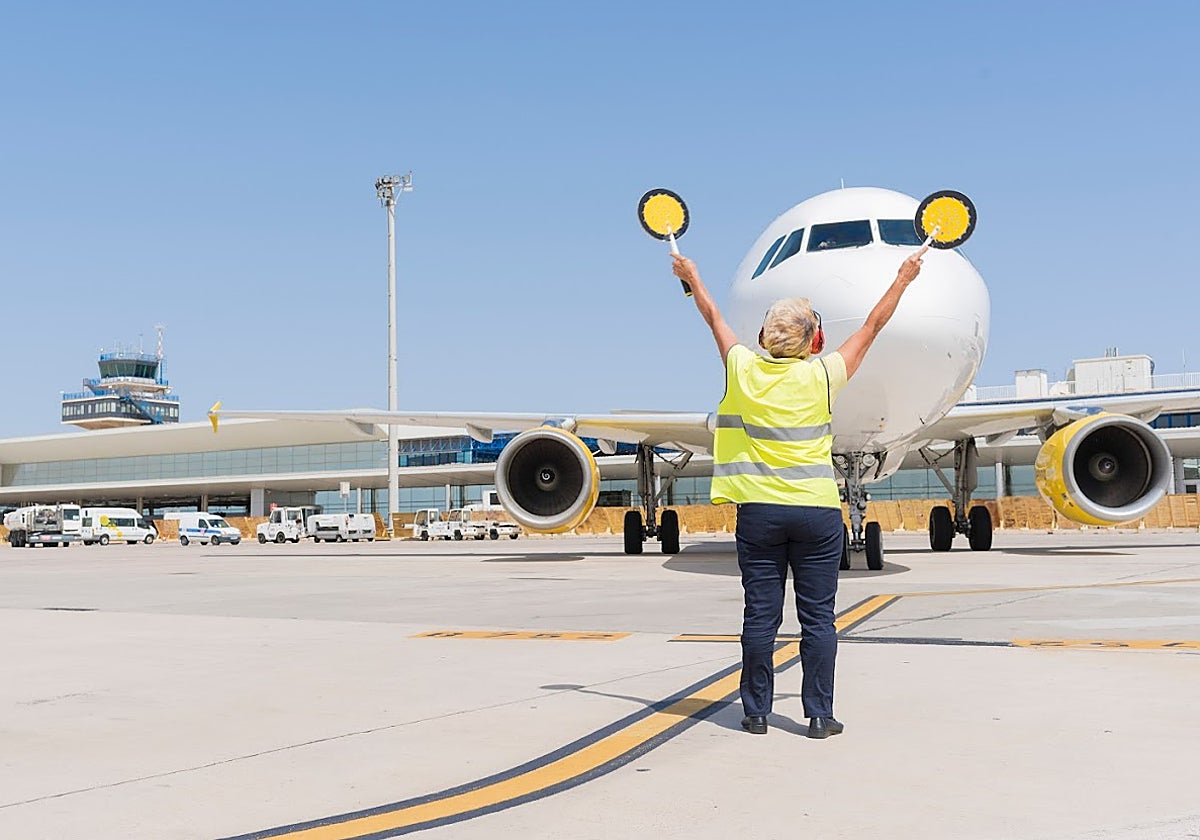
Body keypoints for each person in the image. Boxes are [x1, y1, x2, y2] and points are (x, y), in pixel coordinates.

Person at [671, 247, 925, 738]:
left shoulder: (741, 369)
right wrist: (903, 278)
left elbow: (712, 314)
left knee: (760, 617)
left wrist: (691, 276)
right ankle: (819, 715)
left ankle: (757, 712)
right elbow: (872, 326)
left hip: (761, 515)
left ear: (764, 337)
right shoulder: (823, 374)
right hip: (817, 515)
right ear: (816, 340)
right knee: (818, 619)